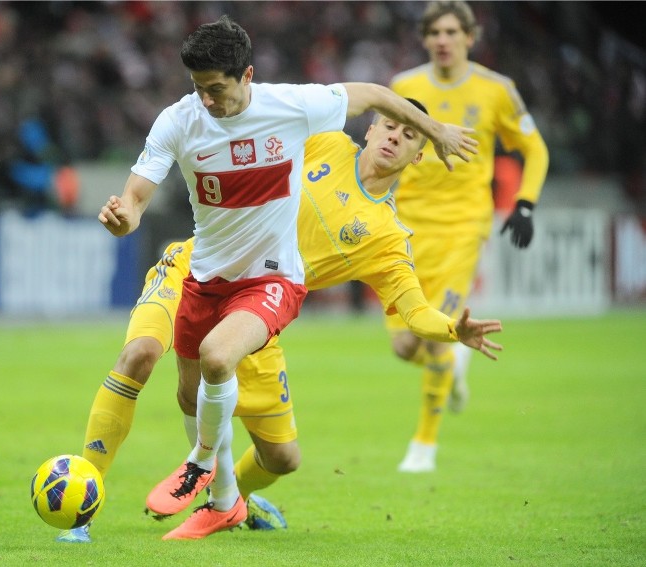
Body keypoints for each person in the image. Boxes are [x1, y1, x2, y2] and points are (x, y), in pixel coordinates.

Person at [97, 15, 477, 541]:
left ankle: (225, 494)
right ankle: (107, 491)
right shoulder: (319, 142)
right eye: (392, 124)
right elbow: (364, 93)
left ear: (418, 156)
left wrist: (455, 331)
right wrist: (126, 215)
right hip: (199, 266)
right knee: (151, 362)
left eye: (411, 135)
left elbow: (414, 311)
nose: (395, 136)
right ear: (372, 127)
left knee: (282, 456)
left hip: (267, 294)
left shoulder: (387, 237)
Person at [387, 1, 549, 473]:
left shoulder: (497, 90)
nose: (443, 39)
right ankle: (453, 368)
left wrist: (525, 203)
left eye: (452, 31)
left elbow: (534, 149)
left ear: (470, 37)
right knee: (405, 347)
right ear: (424, 38)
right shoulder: (404, 88)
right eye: (434, 31)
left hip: (463, 227)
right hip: (408, 226)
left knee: (438, 334)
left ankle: (424, 446)